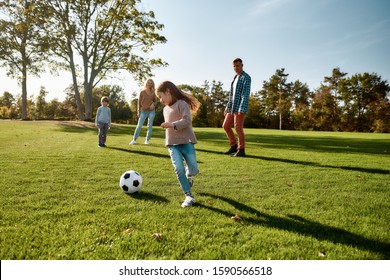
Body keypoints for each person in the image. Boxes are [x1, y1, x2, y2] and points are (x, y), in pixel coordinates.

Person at [156, 81, 200, 208]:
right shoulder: (165, 109)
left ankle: (190, 173)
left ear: (168, 91)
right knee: (178, 168)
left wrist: (171, 124)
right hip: (172, 144)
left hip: (186, 142)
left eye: (160, 96)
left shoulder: (182, 104)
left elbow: (186, 121)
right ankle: (188, 195)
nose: (160, 100)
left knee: (194, 169)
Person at [223, 58, 251, 157]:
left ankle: (241, 150)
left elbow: (245, 94)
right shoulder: (235, 78)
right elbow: (231, 95)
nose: (236, 68)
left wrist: (241, 108)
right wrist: (227, 107)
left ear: (242, 65)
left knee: (238, 128)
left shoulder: (246, 77)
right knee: (226, 126)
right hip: (232, 107)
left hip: (240, 107)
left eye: (237, 66)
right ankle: (233, 146)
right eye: (234, 66)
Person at [129, 79, 157, 145]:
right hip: (143, 111)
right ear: (146, 83)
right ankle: (134, 139)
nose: (149, 84)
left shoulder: (153, 92)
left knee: (149, 126)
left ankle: (147, 140)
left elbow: (155, 101)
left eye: (151, 83)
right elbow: (139, 103)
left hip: (151, 111)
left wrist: (153, 104)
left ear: (152, 84)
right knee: (139, 125)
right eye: (148, 83)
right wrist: (138, 111)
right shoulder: (142, 92)